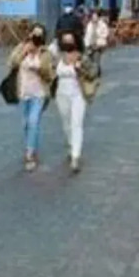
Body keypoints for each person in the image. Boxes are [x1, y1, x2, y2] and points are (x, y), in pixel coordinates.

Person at [7, 25, 55, 171]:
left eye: (38, 36)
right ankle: (31, 144)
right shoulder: (22, 47)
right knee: (26, 124)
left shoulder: (45, 53)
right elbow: (11, 63)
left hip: (39, 93)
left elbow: (50, 75)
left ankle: (30, 153)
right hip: (24, 93)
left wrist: (39, 69)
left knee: (33, 121)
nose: (35, 38)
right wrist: (24, 52)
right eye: (33, 34)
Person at [53, 30, 100, 173]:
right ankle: (70, 144)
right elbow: (49, 70)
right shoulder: (57, 57)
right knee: (66, 123)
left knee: (76, 123)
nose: (68, 43)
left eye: (70, 40)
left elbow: (94, 72)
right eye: (65, 40)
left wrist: (80, 68)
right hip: (61, 94)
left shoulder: (82, 57)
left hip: (78, 93)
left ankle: (75, 156)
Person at [84, 8, 111, 75]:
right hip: (90, 44)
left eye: (95, 17)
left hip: (98, 44)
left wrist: (100, 36)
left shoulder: (102, 24)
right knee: (90, 58)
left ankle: (97, 72)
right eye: (93, 17)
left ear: (98, 17)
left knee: (96, 58)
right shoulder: (89, 25)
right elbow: (87, 35)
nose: (94, 18)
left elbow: (106, 33)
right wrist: (86, 43)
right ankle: (96, 69)